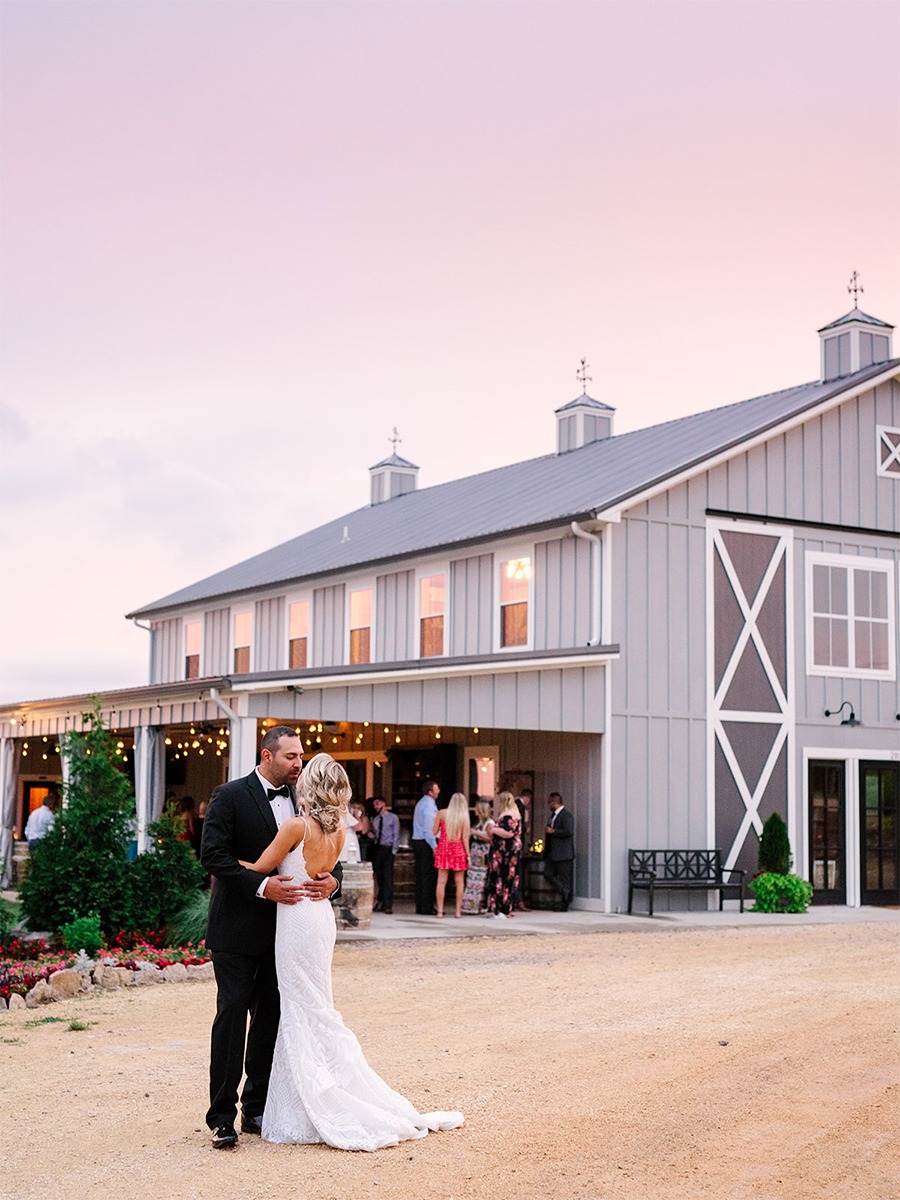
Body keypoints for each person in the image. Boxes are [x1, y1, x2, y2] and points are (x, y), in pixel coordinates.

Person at [239, 752, 463, 1150]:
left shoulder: (296, 826)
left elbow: (259, 868)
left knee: (299, 1007)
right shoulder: (340, 827)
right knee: (316, 1006)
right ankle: (317, 1092)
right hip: (320, 917)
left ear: (310, 786)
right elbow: (327, 874)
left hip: (295, 919)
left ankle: (310, 1105)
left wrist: (223, 860)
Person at [200, 725, 343, 1150]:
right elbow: (212, 856)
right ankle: (221, 1116)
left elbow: (326, 856)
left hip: (286, 935)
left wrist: (332, 884)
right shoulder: (229, 795)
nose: (298, 764)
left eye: (300, 757)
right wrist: (263, 887)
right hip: (236, 928)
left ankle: (257, 1107)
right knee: (232, 1018)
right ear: (267, 756)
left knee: (272, 1021)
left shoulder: (305, 801)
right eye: (290, 757)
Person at [482, 792, 522, 919]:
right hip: (508, 853)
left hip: (504, 854)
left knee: (502, 879)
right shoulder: (514, 815)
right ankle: (506, 908)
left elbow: (508, 833)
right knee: (507, 880)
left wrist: (493, 829)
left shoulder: (508, 816)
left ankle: (502, 909)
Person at [432, 792, 470, 919]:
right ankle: (458, 911)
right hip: (458, 849)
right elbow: (465, 838)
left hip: (444, 848)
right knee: (459, 882)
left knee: (441, 881)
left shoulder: (442, 813)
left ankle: (440, 911)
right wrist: (468, 855)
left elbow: (434, 831)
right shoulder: (463, 817)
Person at [411, 780, 440, 915]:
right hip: (425, 843)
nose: (438, 791)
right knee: (427, 876)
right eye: (436, 789)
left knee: (421, 875)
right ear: (430, 791)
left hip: (419, 841)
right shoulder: (428, 805)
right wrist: (434, 846)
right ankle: (426, 907)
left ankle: (421, 906)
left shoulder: (422, 803)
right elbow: (429, 829)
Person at [461, 800, 494, 914]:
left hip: (482, 853)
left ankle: (479, 905)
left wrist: (476, 833)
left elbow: (490, 838)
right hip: (475, 853)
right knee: (472, 879)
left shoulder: (489, 823)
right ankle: (470, 905)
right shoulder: (478, 822)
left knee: (480, 880)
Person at [544, 791, 575, 911]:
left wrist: (554, 832)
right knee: (548, 873)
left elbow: (569, 831)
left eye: (549, 803)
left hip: (564, 853)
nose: (548, 805)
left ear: (554, 802)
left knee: (565, 878)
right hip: (553, 852)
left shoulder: (566, 815)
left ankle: (564, 903)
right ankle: (565, 891)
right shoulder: (553, 816)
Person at [370, 796, 400, 913]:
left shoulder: (393, 818)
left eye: (377, 804)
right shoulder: (376, 819)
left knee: (388, 877)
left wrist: (394, 851)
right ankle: (381, 901)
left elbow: (396, 835)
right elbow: (376, 834)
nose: (375, 807)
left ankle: (388, 904)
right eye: (374, 805)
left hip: (388, 848)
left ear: (383, 803)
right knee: (379, 876)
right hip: (378, 848)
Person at [514, 788, 533, 911]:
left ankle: (516, 898)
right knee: (517, 872)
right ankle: (518, 899)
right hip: (517, 844)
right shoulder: (520, 807)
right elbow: (522, 828)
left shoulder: (514, 805)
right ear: (527, 798)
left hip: (516, 844)